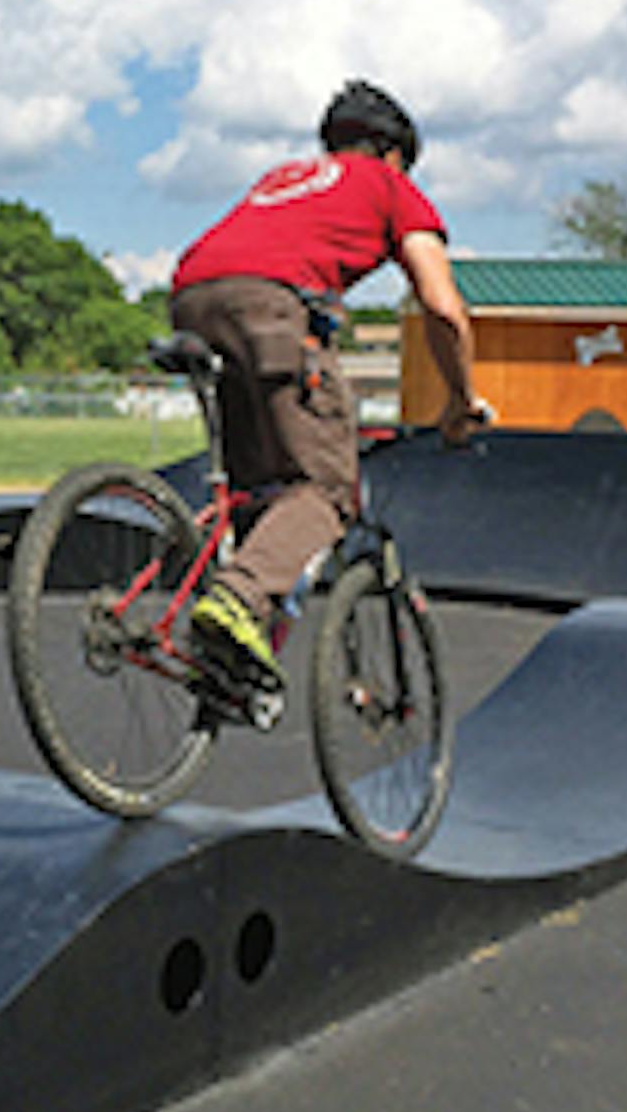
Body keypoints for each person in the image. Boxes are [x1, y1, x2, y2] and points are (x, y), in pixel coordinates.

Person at [168, 79, 486, 691]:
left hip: (191, 296)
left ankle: (230, 653)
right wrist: (458, 401)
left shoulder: (283, 178)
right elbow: (444, 309)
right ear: (393, 154)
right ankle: (238, 597)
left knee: (264, 493)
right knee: (327, 492)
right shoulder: (390, 185)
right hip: (269, 306)